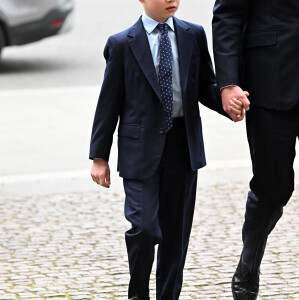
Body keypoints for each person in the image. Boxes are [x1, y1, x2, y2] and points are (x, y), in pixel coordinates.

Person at [89, 0, 244, 299]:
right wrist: (100, 156)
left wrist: (228, 101)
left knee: (175, 236)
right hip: (140, 151)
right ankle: (138, 294)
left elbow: (205, 87)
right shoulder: (122, 44)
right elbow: (108, 103)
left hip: (182, 148)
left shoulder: (193, 35)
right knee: (144, 228)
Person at [212, 0, 299, 299]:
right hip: (270, 81)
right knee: (272, 188)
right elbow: (228, 15)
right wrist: (228, 83)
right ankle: (249, 263)